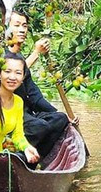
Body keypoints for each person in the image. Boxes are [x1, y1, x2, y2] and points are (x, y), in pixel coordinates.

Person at [4, 10, 75, 159]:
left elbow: (35, 96)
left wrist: (57, 113)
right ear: (6, 28)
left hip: (25, 113)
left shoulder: (20, 58)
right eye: (16, 25)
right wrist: (36, 53)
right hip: (7, 114)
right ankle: (15, 155)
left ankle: (36, 159)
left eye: (24, 25)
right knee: (40, 126)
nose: (22, 29)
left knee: (59, 119)